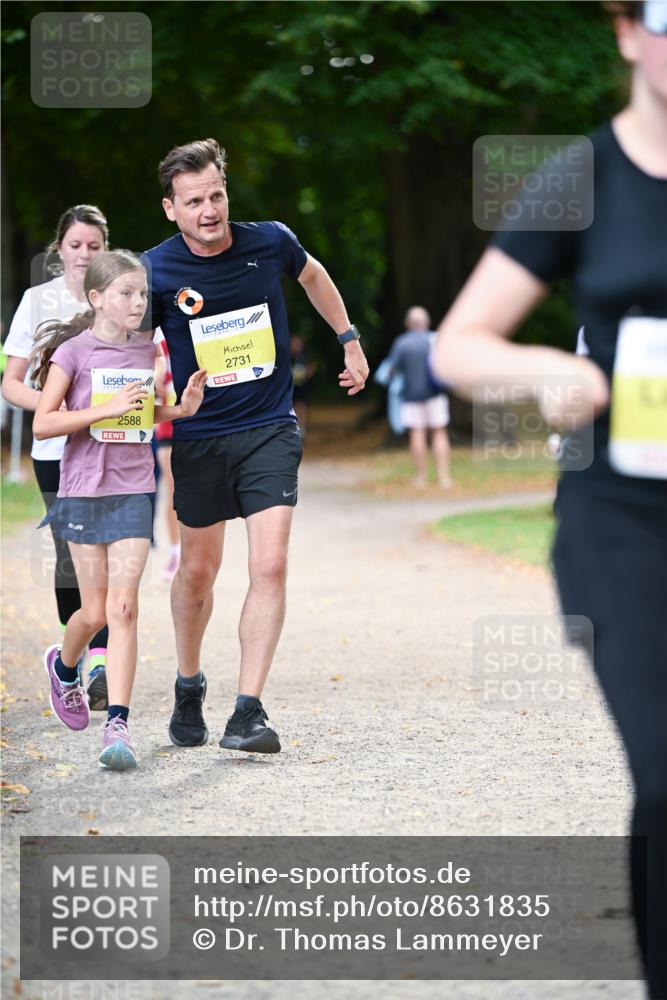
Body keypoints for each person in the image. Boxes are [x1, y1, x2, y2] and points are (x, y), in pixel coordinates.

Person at [433, 3, 666, 996]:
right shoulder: (583, 176)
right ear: (625, 31)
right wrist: (539, 372)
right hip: (626, 526)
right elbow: (458, 343)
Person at [140, 138, 369, 754]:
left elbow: (315, 276)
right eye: (194, 202)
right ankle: (189, 683)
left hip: (270, 426)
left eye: (216, 195)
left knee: (269, 564)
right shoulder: (153, 271)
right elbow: (128, 357)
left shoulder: (270, 241)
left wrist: (348, 339)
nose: (209, 210)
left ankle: (247, 712)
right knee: (197, 572)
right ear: (171, 209)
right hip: (199, 437)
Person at [31, 250, 206, 770]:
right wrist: (100, 410)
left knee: (124, 609)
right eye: (126, 294)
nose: (137, 303)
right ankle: (65, 668)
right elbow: (43, 424)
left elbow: (141, 416)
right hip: (83, 492)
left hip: (133, 490)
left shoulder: (146, 351)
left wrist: (180, 409)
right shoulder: (73, 354)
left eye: (141, 294)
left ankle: (118, 726)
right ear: (97, 298)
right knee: (92, 612)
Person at [2, 206, 111, 708]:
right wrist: (56, 406)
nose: (84, 255)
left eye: (93, 246)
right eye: (75, 246)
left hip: (113, 446)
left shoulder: (122, 295)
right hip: (55, 449)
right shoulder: (36, 300)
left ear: (104, 249)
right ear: (59, 249)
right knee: (71, 556)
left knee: (110, 551)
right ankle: (75, 654)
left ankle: (101, 663)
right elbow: (11, 384)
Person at [387, 306, 452, 488]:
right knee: (439, 432)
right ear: (427, 322)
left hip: (411, 396)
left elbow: (392, 370)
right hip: (436, 394)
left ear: (408, 323)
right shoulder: (435, 341)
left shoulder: (402, 343)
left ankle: (421, 478)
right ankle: (444, 477)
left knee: (417, 433)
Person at [154, 330, 181, 581]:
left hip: (199, 424)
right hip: (167, 427)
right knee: (173, 489)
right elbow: (155, 381)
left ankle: (194, 550)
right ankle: (176, 551)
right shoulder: (158, 340)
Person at [290, 333, 316, 433]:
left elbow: (311, 367)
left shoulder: (305, 356)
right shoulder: (287, 356)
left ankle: (302, 428)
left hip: (302, 386)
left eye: (298, 343)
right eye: (294, 343)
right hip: (290, 387)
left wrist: (307, 374)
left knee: (302, 405)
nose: (296, 345)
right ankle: (293, 427)